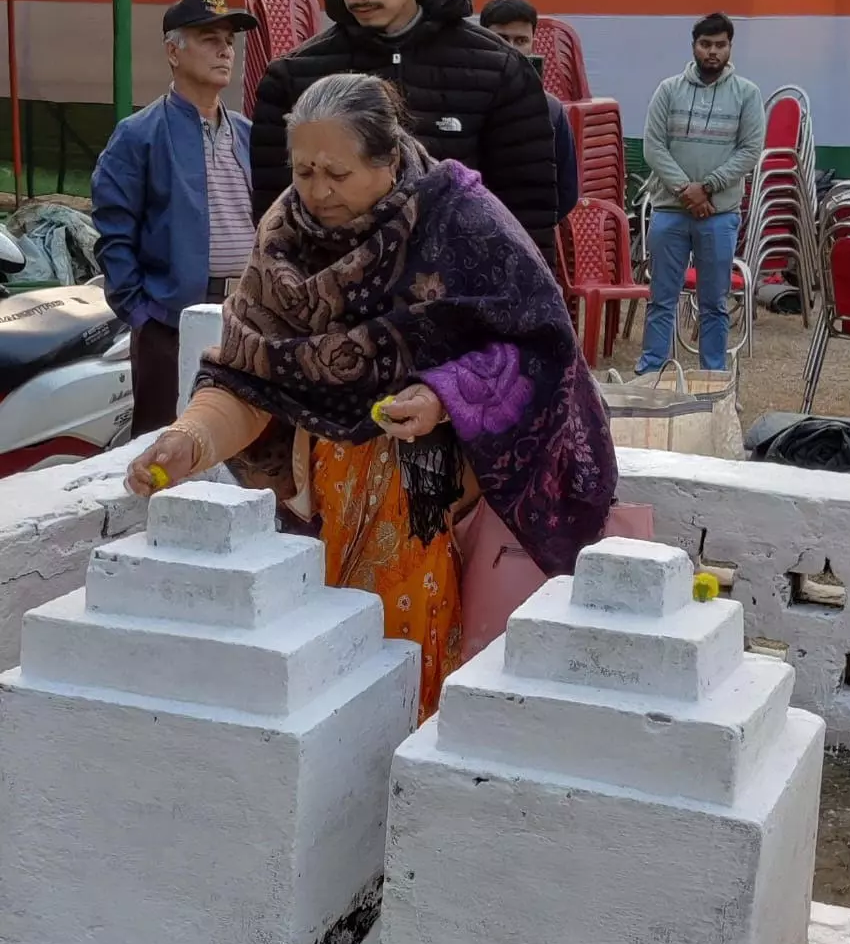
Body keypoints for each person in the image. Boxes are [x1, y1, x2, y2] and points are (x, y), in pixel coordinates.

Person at [126, 73, 617, 722]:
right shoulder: (285, 243)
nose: (316, 192)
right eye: (303, 171)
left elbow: (539, 344)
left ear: (387, 162)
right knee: (311, 686)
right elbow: (249, 377)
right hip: (310, 508)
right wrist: (191, 437)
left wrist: (443, 394)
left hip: (418, 495)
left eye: (337, 172)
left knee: (391, 675)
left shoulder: (460, 220)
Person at [250, 0, 559, 264]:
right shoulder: (293, 79)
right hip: (330, 317)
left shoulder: (501, 73)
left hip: (459, 311)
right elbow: (274, 233)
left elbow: (527, 228)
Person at [92, 0, 258, 436]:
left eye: (229, 39)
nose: (225, 50)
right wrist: (143, 316)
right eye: (209, 38)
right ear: (173, 51)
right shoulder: (138, 136)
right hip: (170, 323)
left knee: (242, 445)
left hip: (246, 317)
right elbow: (114, 234)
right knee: (164, 444)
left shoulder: (248, 134)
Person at [635, 13, 765, 375]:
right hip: (670, 211)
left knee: (714, 303)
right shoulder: (668, 90)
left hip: (719, 215)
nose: (712, 52)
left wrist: (706, 188)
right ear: (694, 46)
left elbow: (749, 151)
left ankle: (713, 377)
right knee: (661, 298)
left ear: (729, 47)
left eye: (720, 45)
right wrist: (685, 191)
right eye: (705, 44)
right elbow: (653, 148)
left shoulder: (747, 95)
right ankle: (651, 375)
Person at [480, 0, 579, 222]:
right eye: (502, 38)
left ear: (533, 42)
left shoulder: (552, 110)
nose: (512, 49)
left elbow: (567, 191)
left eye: (521, 40)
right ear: (482, 38)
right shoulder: (463, 100)